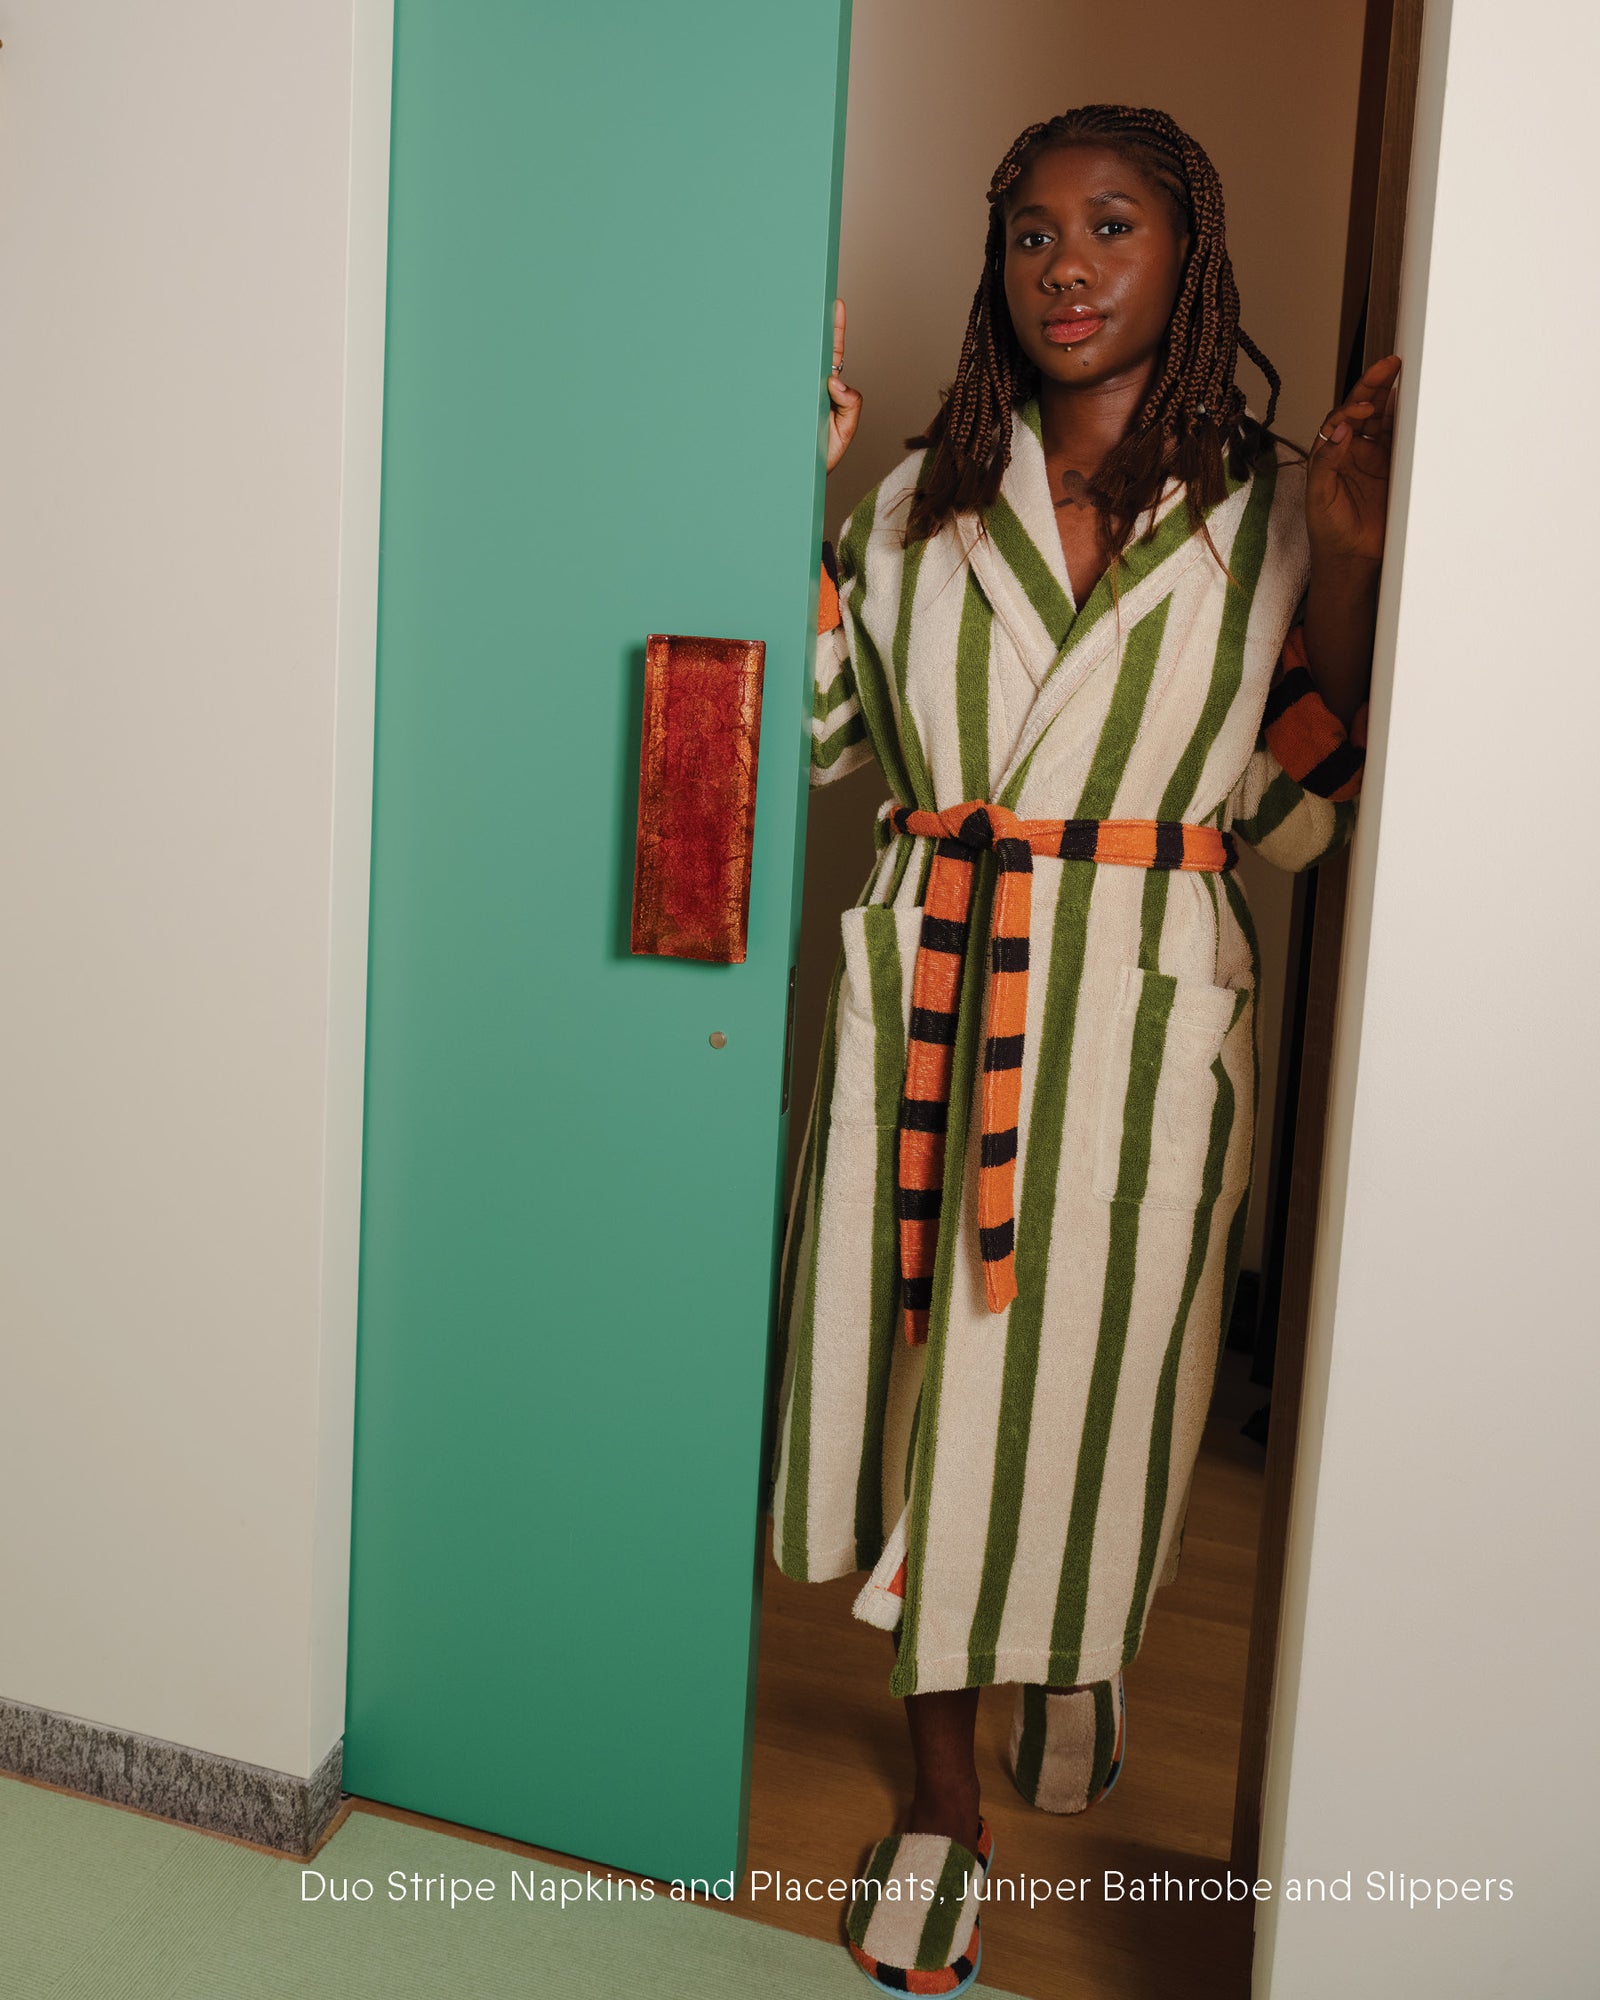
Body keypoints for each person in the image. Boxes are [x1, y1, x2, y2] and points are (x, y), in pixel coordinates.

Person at [767, 104, 1397, 1997]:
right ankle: (947, 1803)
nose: (1065, 267)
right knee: (942, 1397)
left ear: (1187, 257)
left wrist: (1354, 565)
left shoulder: (1276, 507)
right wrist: (783, 494)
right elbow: (814, 745)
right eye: (1031, 233)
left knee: (1105, 1398)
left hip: (1135, 1014)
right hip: (935, 1002)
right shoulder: (921, 504)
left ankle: (1061, 1675)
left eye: (1110, 228)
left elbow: (1298, 815)